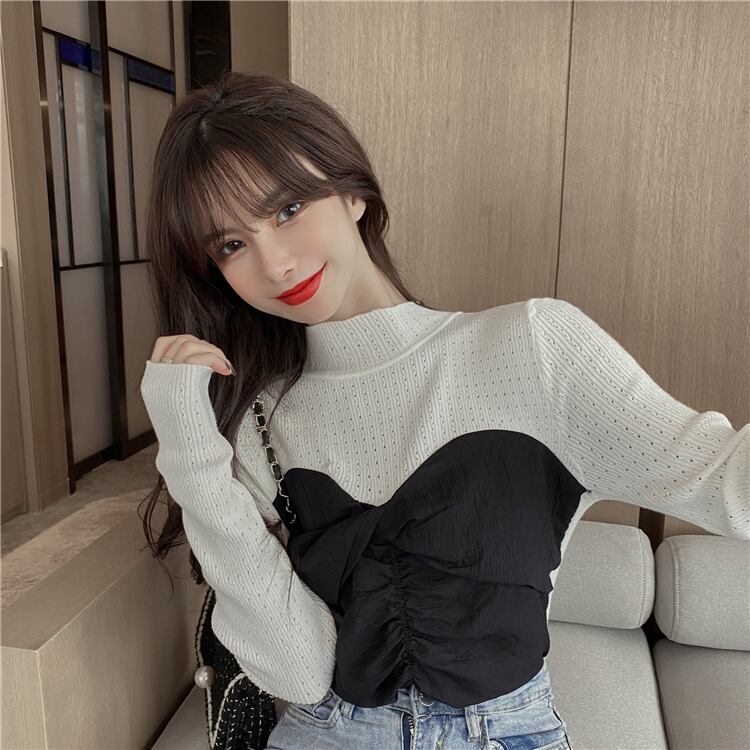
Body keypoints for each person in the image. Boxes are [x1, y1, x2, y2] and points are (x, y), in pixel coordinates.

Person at [138, 70, 749, 750]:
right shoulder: (261, 420)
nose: (275, 263)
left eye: (287, 209)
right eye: (232, 244)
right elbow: (299, 673)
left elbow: (727, 486)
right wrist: (188, 445)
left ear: (353, 193)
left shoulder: (532, 348)